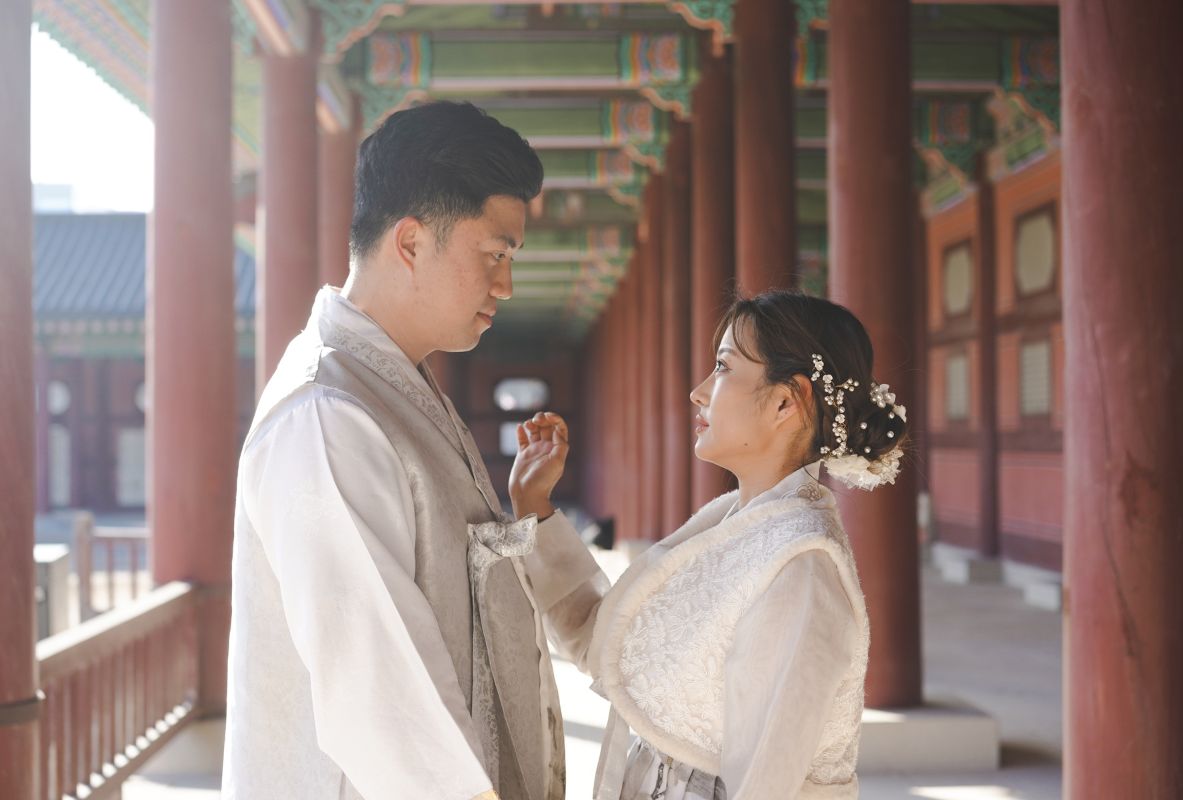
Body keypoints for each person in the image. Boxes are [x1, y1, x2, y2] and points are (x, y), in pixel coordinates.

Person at [222, 101, 601, 800]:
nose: (506, 284)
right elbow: (380, 700)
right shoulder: (327, 413)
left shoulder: (396, 387)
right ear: (410, 241)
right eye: (494, 253)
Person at [509, 291, 909, 799]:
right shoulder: (730, 522)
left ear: (787, 400)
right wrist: (535, 506)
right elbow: (605, 644)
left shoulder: (800, 567)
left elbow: (767, 781)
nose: (699, 393)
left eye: (722, 368)